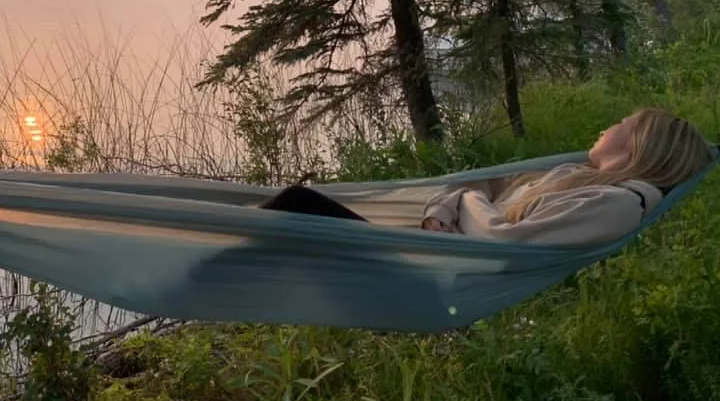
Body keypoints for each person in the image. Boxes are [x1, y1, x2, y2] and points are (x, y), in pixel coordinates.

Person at [260, 108, 714, 246]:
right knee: (288, 210)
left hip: (440, 270)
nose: (606, 125)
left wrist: (463, 205)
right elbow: (477, 185)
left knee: (296, 204)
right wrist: (443, 207)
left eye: (622, 123)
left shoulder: (620, 203)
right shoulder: (573, 174)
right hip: (433, 244)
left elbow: (505, 241)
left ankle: (195, 280)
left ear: (638, 144)